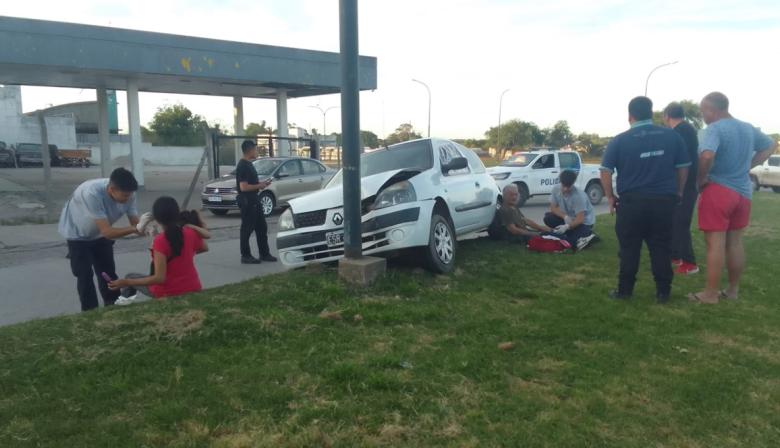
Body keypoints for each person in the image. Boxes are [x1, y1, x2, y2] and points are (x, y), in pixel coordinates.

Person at [688, 92, 777, 304]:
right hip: (743, 193)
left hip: (718, 189)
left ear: (713, 110)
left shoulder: (715, 129)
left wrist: (701, 180)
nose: (703, 117)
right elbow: (770, 145)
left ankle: (710, 294)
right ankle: (732, 290)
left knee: (715, 244)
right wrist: (749, 165)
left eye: (703, 112)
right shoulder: (747, 128)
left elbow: (707, 155)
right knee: (735, 243)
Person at [600, 96, 690, 303]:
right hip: (663, 202)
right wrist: (679, 191)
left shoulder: (620, 140)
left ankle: (625, 291)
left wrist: (610, 197)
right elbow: (683, 167)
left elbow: (605, 171)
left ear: (629, 116)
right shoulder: (672, 137)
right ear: (652, 113)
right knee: (661, 247)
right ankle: (663, 293)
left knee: (629, 248)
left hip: (632, 204)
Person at [58, 167, 150, 311]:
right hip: (78, 235)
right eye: (125, 196)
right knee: (84, 274)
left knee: (107, 272)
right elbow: (108, 232)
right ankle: (90, 311)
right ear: (112, 189)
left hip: (100, 235)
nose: (128, 199)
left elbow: (135, 224)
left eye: (130, 195)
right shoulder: (91, 193)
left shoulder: (129, 194)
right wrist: (136, 228)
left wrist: (147, 228)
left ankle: (113, 306)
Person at [108, 196, 209, 300]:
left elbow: (159, 278)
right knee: (134, 278)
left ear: (156, 218)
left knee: (130, 277)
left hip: (169, 292)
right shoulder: (189, 232)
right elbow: (204, 248)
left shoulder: (160, 240)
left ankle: (123, 303)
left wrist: (126, 282)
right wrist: (184, 254)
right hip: (193, 287)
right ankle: (124, 302)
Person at [663, 102, 700, 275]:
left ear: (667, 116)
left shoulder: (678, 132)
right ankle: (675, 256)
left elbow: (678, 161)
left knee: (681, 223)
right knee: (674, 222)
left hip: (684, 185)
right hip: (686, 183)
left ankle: (690, 263)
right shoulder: (688, 129)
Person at [236, 139, 276, 264]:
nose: (257, 151)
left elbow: (251, 184)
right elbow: (243, 187)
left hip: (255, 200)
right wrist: (259, 186)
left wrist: (262, 184)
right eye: (255, 148)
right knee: (247, 229)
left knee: (261, 227)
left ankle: (264, 253)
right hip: (248, 202)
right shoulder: (243, 166)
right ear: (250, 150)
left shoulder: (250, 164)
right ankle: (245, 255)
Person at [543, 170, 598, 251]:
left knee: (571, 242)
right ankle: (577, 236)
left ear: (573, 183)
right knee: (548, 218)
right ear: (560, 182)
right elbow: (553, 208)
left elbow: (580, 219)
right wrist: (564, 216)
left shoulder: (579, 196)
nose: (565, 189)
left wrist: (567, 227)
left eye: (568, 186)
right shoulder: (556, 189)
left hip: (584, 223)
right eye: (563, 185)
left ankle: (585, 235)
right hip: (568, 218)